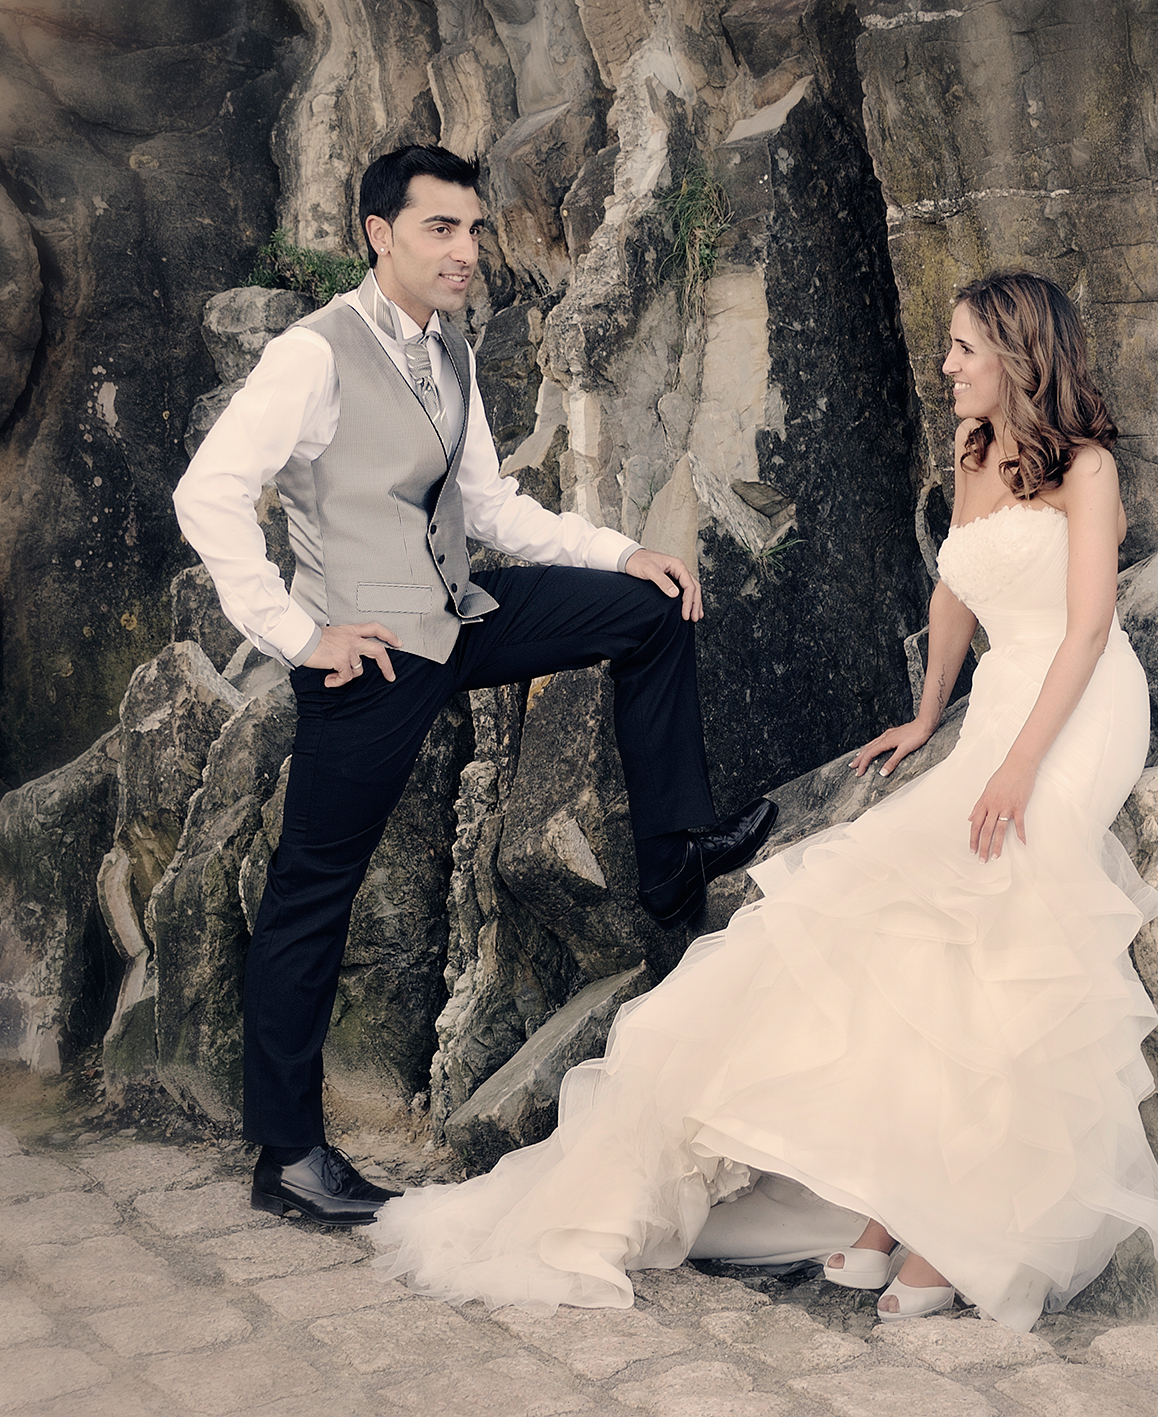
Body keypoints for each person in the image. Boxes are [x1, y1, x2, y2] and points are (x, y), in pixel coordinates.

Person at [368, 269, 1158, 1329]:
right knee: (890, 917)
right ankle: (895, 1203)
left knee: (1000, 902)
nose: (945, 365)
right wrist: (926, 714)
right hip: (998, 704)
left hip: (1082, 707)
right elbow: (955, 589)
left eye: (963, 348)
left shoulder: (1088, 468)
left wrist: (1021, 765)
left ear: (1018, 356)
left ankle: (952, 1227)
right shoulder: (975, 449)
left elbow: (1085, 630)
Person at [172, 144, 777, 1230]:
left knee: (648, 610)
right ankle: (289, 1157)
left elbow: (491, 506)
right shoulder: (313, 355)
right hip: (370, 656)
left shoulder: (448, 344)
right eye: (440, 229)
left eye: (473, 229)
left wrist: (618, 551)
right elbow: (207, 494)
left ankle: (671, 861)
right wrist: (299, 635)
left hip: (460, 615)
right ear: (379, 234)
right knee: (312, 894)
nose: (465, 250)